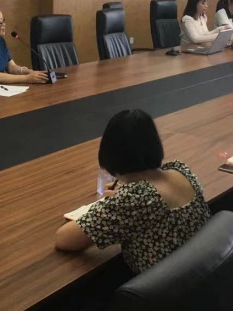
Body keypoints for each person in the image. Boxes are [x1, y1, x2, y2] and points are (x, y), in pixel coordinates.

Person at [55, 109, 210, 275]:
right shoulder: (181, 171)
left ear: (110, 154)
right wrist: (122, 198)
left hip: (165, 286)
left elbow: (64, 239)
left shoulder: (135, 199)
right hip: (201, 274)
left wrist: (111, 205)